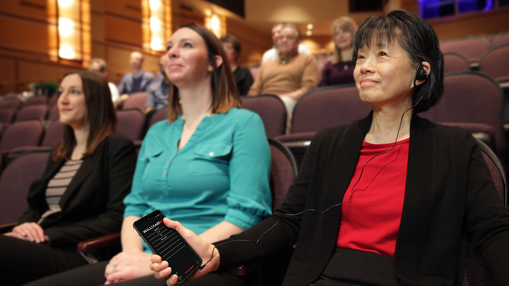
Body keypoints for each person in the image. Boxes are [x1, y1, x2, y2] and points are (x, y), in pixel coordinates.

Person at [151, 10, 509, 286]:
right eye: (360, 57)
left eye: (381, 54)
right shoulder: (330, 141)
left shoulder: (454, 147)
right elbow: (287, 222)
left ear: (421, 72)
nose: (364, 67)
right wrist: (215, 252)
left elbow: (492, 230)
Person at [26, 22, 272, 286]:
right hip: (148, 259)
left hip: (207, 263)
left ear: (214, 62)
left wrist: (166, 257)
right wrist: (131, 255)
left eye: (186, 45)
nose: (172, 53)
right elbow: (135, 206)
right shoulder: (157, 132)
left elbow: (246, 216)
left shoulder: (244, 123)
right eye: (168, 48)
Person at [0, 70, 137, 285]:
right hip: (42, 244)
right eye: (61, 91)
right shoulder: (61, 151)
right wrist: (25, 226)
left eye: (74, 92)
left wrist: (48, 235)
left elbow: (116, 217)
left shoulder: (116, 146)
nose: (62, 99)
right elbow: (36, 206)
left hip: (80, 251)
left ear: (96, 100)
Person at [249, 24, 319, 127]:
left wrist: (279, 100)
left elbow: (309, 88)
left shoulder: (307, 60)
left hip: (290, 103)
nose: (284, 40)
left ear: (298, 42)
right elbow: (254, 90)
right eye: (281, 37)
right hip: (265, 103)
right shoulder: (267, 64)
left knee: (280, 105)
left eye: (289, 37)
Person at [319, 17, 358, 86]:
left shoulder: (363, 62)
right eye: (337, 33)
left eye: (345, 31)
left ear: (353, 34)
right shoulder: (329, 66)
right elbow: (323, 92)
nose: (341, 36)